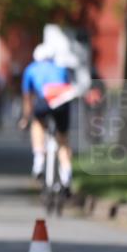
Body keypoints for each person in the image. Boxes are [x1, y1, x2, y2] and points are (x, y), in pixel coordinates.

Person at [19, 33, 75, 193]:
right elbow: (68, 87)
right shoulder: (61, 68)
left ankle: (39, 160)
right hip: (63, 101)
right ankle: (66, 174)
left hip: (44, 100)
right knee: (63, 139)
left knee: (37, 124)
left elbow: (27, 98)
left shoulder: (31, 69)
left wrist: (25, 118)